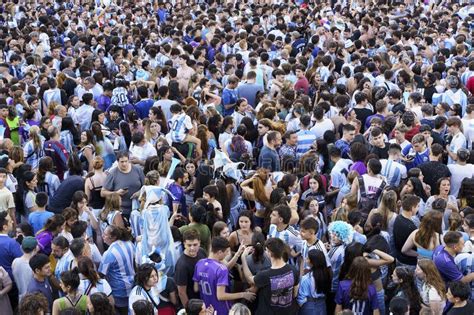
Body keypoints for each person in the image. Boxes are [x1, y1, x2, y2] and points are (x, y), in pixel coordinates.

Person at [193, 237, 255, 315]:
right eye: (226, 252)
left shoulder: (199, 263)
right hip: (221, 309)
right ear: (219, 252)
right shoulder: (221, 269)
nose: (227, 254)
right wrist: (243, 295)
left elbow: (196, 288)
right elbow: (221, 296)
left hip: (206, 309)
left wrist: (238, 253)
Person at [241, 237, 299, 315]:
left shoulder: (265, 275)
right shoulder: (293, 269)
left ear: (269, 252)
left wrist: (243, 258)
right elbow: (295, 293)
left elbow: (249, 279)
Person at [99, 225, 135, 315]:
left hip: (119, 292)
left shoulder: (109, 253)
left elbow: (101, 274)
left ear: (113, 237)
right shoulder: (130, 244)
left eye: (105, 234)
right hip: (133, 285)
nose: (103, 236)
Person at [101, 151, 145, 219]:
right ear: (117, 161)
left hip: (138, 208)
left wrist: (139, 192)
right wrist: (116, 193)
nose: (124, 164)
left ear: (129, 160)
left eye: (126, 161)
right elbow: (102, 193)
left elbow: (145, 186)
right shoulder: (112, 173)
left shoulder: (138, 170)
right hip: (122, 210)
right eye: (122, 162)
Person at [175, 229, 207, 308]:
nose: (192, 248)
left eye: (195, 244)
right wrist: (189, 310)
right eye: (189, 245)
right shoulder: (182, 265)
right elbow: (181, 292)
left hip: (204, 296)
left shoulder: (201, 252)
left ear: (199, 243)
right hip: (193, 302)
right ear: (184, 244)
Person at [297, 249, 331, 315]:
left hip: (309, 306)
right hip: (322, 305)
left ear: (312, 262)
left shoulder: (306, 278)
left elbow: (301, 298)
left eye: (307, 258)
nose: (306, 260)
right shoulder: (326, 274)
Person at [12, 236, 37, 301]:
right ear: (35, 249)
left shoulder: (15, 262)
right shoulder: (33, 266)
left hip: (21, 299)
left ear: (21, 248)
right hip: (33, 300)